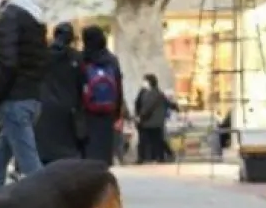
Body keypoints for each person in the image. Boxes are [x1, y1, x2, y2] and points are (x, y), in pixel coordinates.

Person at [0, 0, 47, 189]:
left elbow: (8, 63)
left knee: (31, 167)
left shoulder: (11, 16)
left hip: (14, 100)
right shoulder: (33, 17)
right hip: (31, 97)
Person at [35, 22, 85, 165]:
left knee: (45, 141)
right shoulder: (76, 57)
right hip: (68, 104)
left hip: (44, 103)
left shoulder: (43, 55)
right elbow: (82, 82)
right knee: (66, 144)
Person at [79, 25, 124, 166]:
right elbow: (118, 87)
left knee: (89, 148)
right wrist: (117, 113)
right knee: (104, 147)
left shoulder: (82, 59)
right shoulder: (112, 60)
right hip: (108, 110)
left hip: (87, 110)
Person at [134, 74, 175, 163]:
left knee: (147, 140)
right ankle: (161, 157)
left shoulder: (152, 93)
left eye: (145, 81)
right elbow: (168, 104)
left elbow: (147, 107)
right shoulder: (153, 92)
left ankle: (144, 158)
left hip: (150, 121)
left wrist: (140, 116)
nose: (143, 83)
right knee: (157, 140)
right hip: (153, 121)